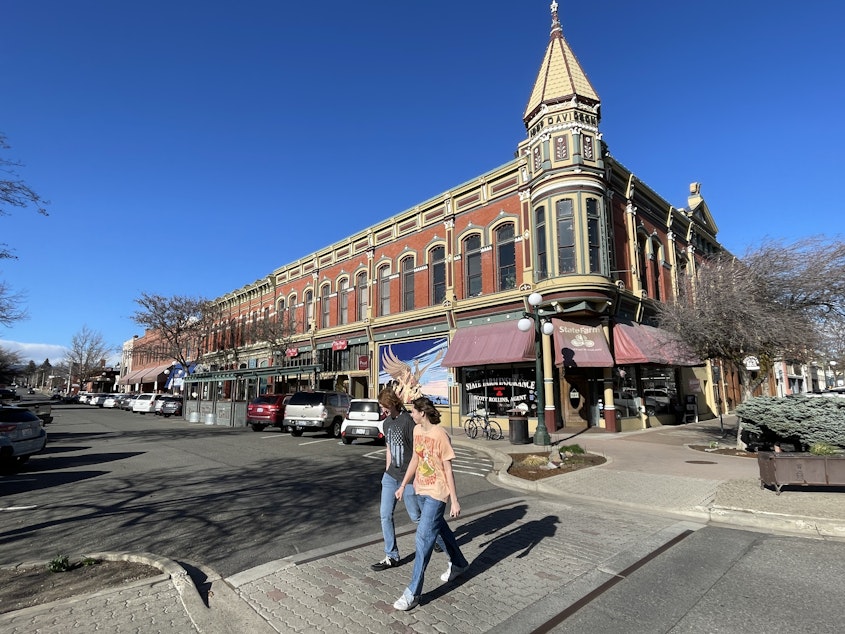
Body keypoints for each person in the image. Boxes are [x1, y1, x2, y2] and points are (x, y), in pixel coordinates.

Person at [392, 396, 470, 611]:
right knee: (440, 529)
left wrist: (454, 500)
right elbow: (416, 459)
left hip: (437, 493)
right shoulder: (417, 431)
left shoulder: (440, 435)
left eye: (413, 412)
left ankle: (413, 592)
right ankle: (460, 564)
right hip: (420, 489)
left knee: (424, 537)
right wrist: (404, 485)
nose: (410, 415)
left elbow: (448, 469)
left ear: (422, 413)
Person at [371, 388, 445, 571]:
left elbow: (417, 452)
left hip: (410, 477)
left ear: (391, 403)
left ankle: (440, 540)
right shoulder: (386, 423)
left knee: (417, 517)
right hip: (390, 477)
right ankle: (391, 555)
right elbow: (389, 449)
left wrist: (416, 477)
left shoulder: (408, 421)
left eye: (383, 406)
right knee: (385, 515)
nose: (382, 410)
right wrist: (387, 471)